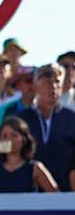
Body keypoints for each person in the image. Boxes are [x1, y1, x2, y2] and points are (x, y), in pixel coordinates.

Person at [17, 63, 75, 191]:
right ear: (36, 86)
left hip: (65, 195)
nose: (53, 87)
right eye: (47, 82)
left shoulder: (71, 118)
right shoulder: (21, 119)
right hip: (27, 196)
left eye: (57, 82)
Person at [0, 66, 36, 136]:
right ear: (18, 85)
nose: (33, 85)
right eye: (29, 81)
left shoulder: (47, 109)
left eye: (36, 80)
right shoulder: (5, 110)